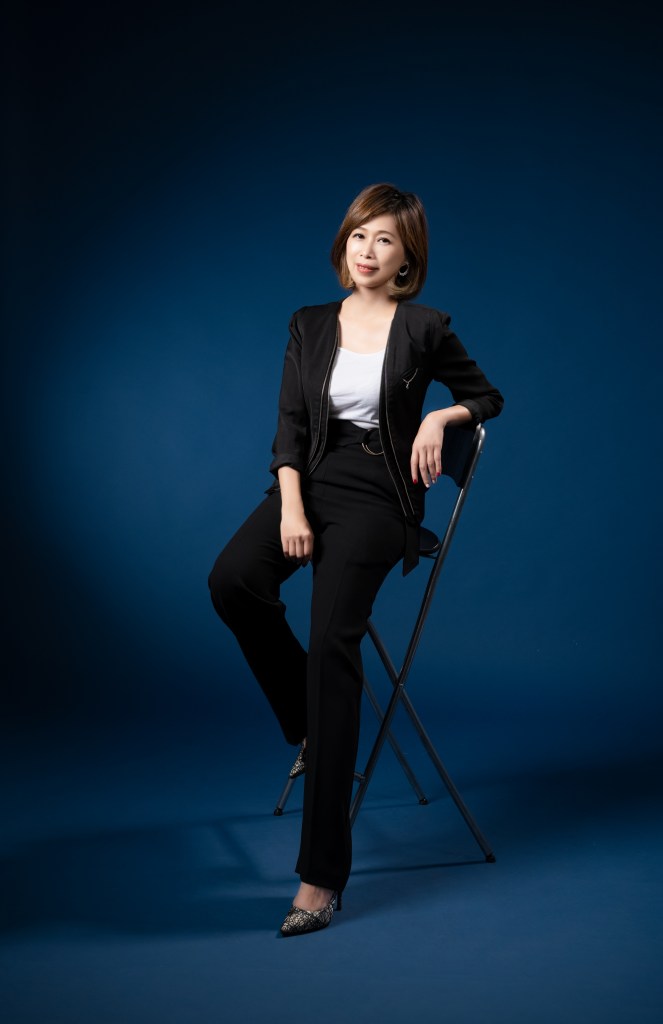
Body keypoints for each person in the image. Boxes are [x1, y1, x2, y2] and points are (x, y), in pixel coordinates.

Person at [208, 183, 504, 937]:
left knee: (330, 643)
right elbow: (288, 429)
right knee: (233, 581)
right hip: (309, 482)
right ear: (344, 242)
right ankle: (309, 727)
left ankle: (320, 878)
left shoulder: (426, 328)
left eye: (385, 239)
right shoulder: (308, 323)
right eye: (359, 235)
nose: (367, 250)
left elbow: (487, 397)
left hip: (381, 497)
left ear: (407, 258)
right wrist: (293, 506)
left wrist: (440, 414)